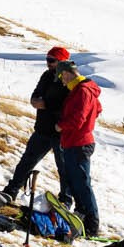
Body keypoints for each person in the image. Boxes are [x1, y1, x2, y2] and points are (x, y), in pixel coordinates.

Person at [0, 46, 71, 206]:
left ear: (62, 61)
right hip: (42, 129)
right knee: (26, 162)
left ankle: (66, 201)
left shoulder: (69, 79)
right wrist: (35, 100)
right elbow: (36, 93)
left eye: (52, 60)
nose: (48, 63)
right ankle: (11, 191)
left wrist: (46, 104)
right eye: (47, 60)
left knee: (64, 169)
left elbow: (68, 105)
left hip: (60, 131)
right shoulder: (47, 75)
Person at [52, 59, 102, 236]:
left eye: (62, 79)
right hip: (75, 142)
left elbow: (78, 118)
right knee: (76, 184)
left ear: (66, 74)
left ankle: (91, 226)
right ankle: (81, 220)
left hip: (79, 143)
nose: (63, 83)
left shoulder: (82, 91)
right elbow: (98, 109)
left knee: (82, 185)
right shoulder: (82, 89)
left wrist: (61, 126)